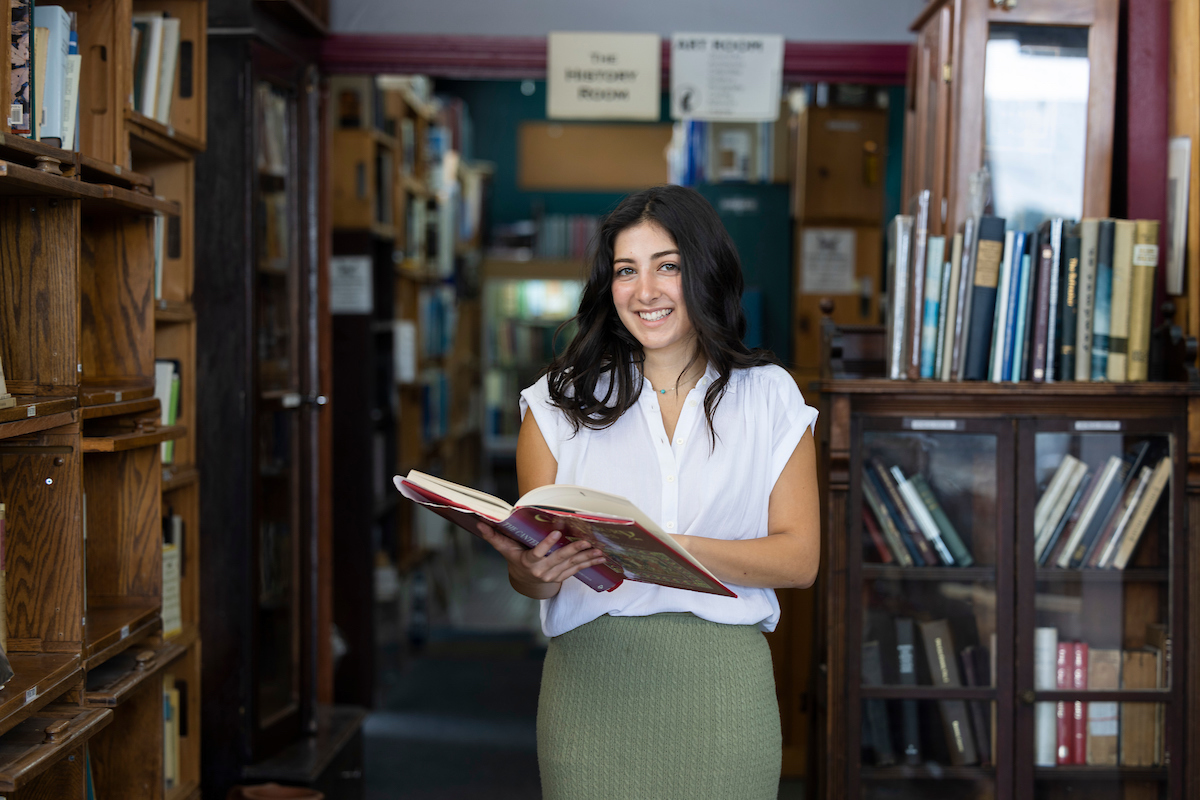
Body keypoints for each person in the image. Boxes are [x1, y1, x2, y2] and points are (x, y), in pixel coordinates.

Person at [475, 184, 820, 799]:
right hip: (592, 686)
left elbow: (798, 560)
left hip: (725, 691)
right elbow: (540, 580)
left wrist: (663, 545)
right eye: (625, 271)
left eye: (668, 267)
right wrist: (529, 567)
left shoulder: (769, 396)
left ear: (705, 272)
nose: (646, 291)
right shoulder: (554, 405)